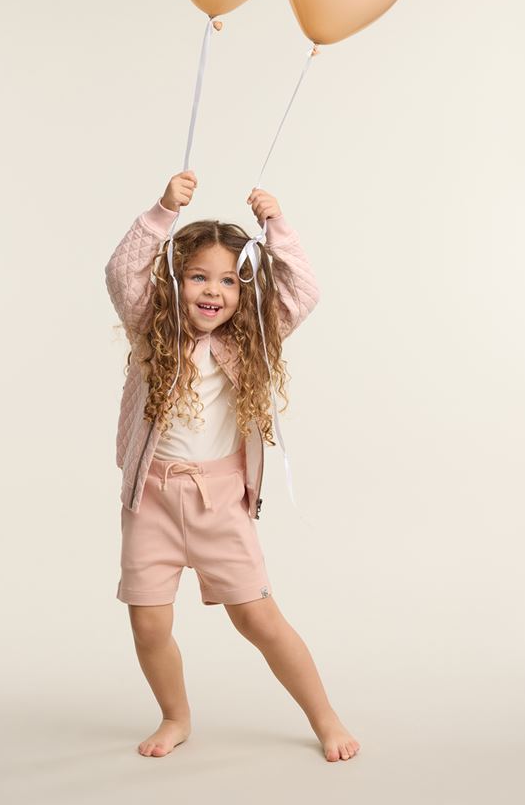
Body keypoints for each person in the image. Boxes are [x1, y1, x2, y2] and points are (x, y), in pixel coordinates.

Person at [105, 170, 361, 762]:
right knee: (148, 624)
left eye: (228, 280)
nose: (212, 291)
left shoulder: (253, 338)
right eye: (198, 276)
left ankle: (325, 718)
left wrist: (276, 226)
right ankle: (175, 716)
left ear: (245, 290)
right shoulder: (152, 327)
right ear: (174, 279)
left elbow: (303, 292)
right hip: (151, 500)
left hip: (219, 501)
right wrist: (162, 213)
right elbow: (122, 272)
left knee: (258, 619)